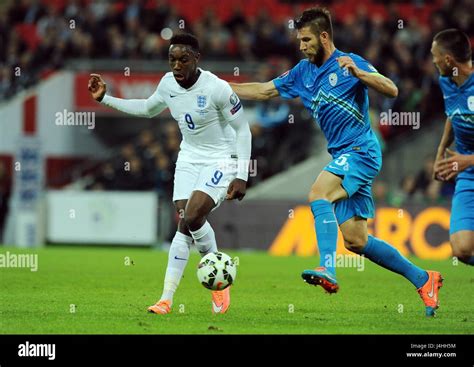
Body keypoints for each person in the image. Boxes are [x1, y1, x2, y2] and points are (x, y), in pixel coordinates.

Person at [230, 7, 442, 316]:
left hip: (361, 151)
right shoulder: (302, 71)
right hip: (343, 155)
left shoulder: (349, 62)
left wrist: (361, 74)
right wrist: (220, 88)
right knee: (357, 241)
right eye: (299, 40)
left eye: (305, 39)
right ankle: (424, 279)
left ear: (324, 36)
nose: (300, 46)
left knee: (318, 194)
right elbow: (263, 91)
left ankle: (328, 267)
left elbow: (392, 88)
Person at [88, 33, 252, 314]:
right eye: (172, 59)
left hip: (220, 159)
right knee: (185, 221)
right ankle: (169, 298)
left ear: (196, 59)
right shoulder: (167, 84)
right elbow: (147, 108)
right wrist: (105, 98)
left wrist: (241, 174)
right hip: (189, 157)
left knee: (193, 214)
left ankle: (215, 284)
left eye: (183, 59)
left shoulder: (218, 88)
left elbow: (243, 130)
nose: (176, 65)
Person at [431, 28, 474, 266]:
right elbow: (453, 114)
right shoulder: (446, 82)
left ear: (448, 59)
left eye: (434, 55)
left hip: (467, 162)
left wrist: (469, 159)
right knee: (462, 249)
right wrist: (440, 153)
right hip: (468, 174)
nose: (433, 61)